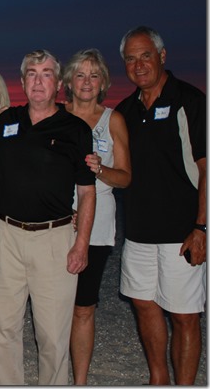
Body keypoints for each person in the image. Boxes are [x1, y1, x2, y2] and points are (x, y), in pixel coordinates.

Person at [0, 49, 96, 385]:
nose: (38, 81)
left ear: (58, 84)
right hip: (7, 235)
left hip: (54, 238)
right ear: (22, 82)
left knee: (53, 336)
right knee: (2, 330)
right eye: (32, 73)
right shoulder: (7, 121)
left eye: (46, 74)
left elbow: (87, 193)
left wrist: (81, 244)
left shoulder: (75, 129)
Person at [115, 26, 206, 385]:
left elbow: (205, 168)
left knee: (184, 315)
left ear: (162, 56)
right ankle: (158, 380)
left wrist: (201, 227)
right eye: (130, 59)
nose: (138, 65)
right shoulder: (125, 110)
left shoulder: (189, 100)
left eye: (146, 56)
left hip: (182, 232)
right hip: (138, 232)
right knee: (143, 304)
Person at [62, 49, 131, 385]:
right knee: (52, 303)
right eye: (80, 74)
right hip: (56, 218)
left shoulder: (113, 120)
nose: (87, 82)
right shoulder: (55, 116)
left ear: (103, 82)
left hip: (99, 220)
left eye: (94, 75)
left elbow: (126, 177)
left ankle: (80, 381)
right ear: (68, 82)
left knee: (83, 305)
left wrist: (100, 169)